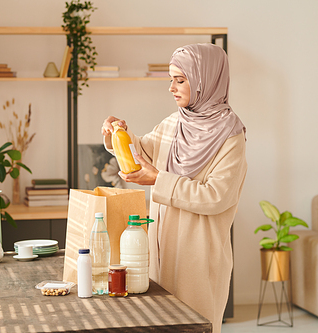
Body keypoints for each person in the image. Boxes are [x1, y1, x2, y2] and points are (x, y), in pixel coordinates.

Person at [101, 43, 247, 333]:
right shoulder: (174, 123)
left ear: (206, 80)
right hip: (159, 249)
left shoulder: (231, 136)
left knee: (194, 325)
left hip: (199, 257)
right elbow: (142, 151)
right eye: (171, 79)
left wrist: (159, 180)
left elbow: (215, 197)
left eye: (180, 80)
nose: (171, 88)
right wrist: (117, 132)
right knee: (159, 324)